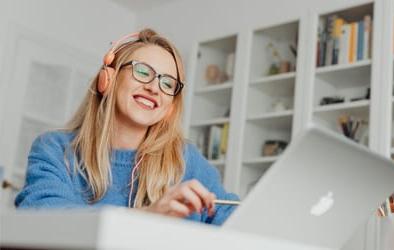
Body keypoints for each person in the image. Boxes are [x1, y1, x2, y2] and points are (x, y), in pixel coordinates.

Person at [15, 28, 239, 225]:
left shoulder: (186, 160)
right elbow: (44, 217)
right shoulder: (54, 149)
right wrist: (148, 216)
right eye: (143, 72)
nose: (154, 88)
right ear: (108, 79)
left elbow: (233, 216)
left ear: (170, 106)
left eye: (168, 83)